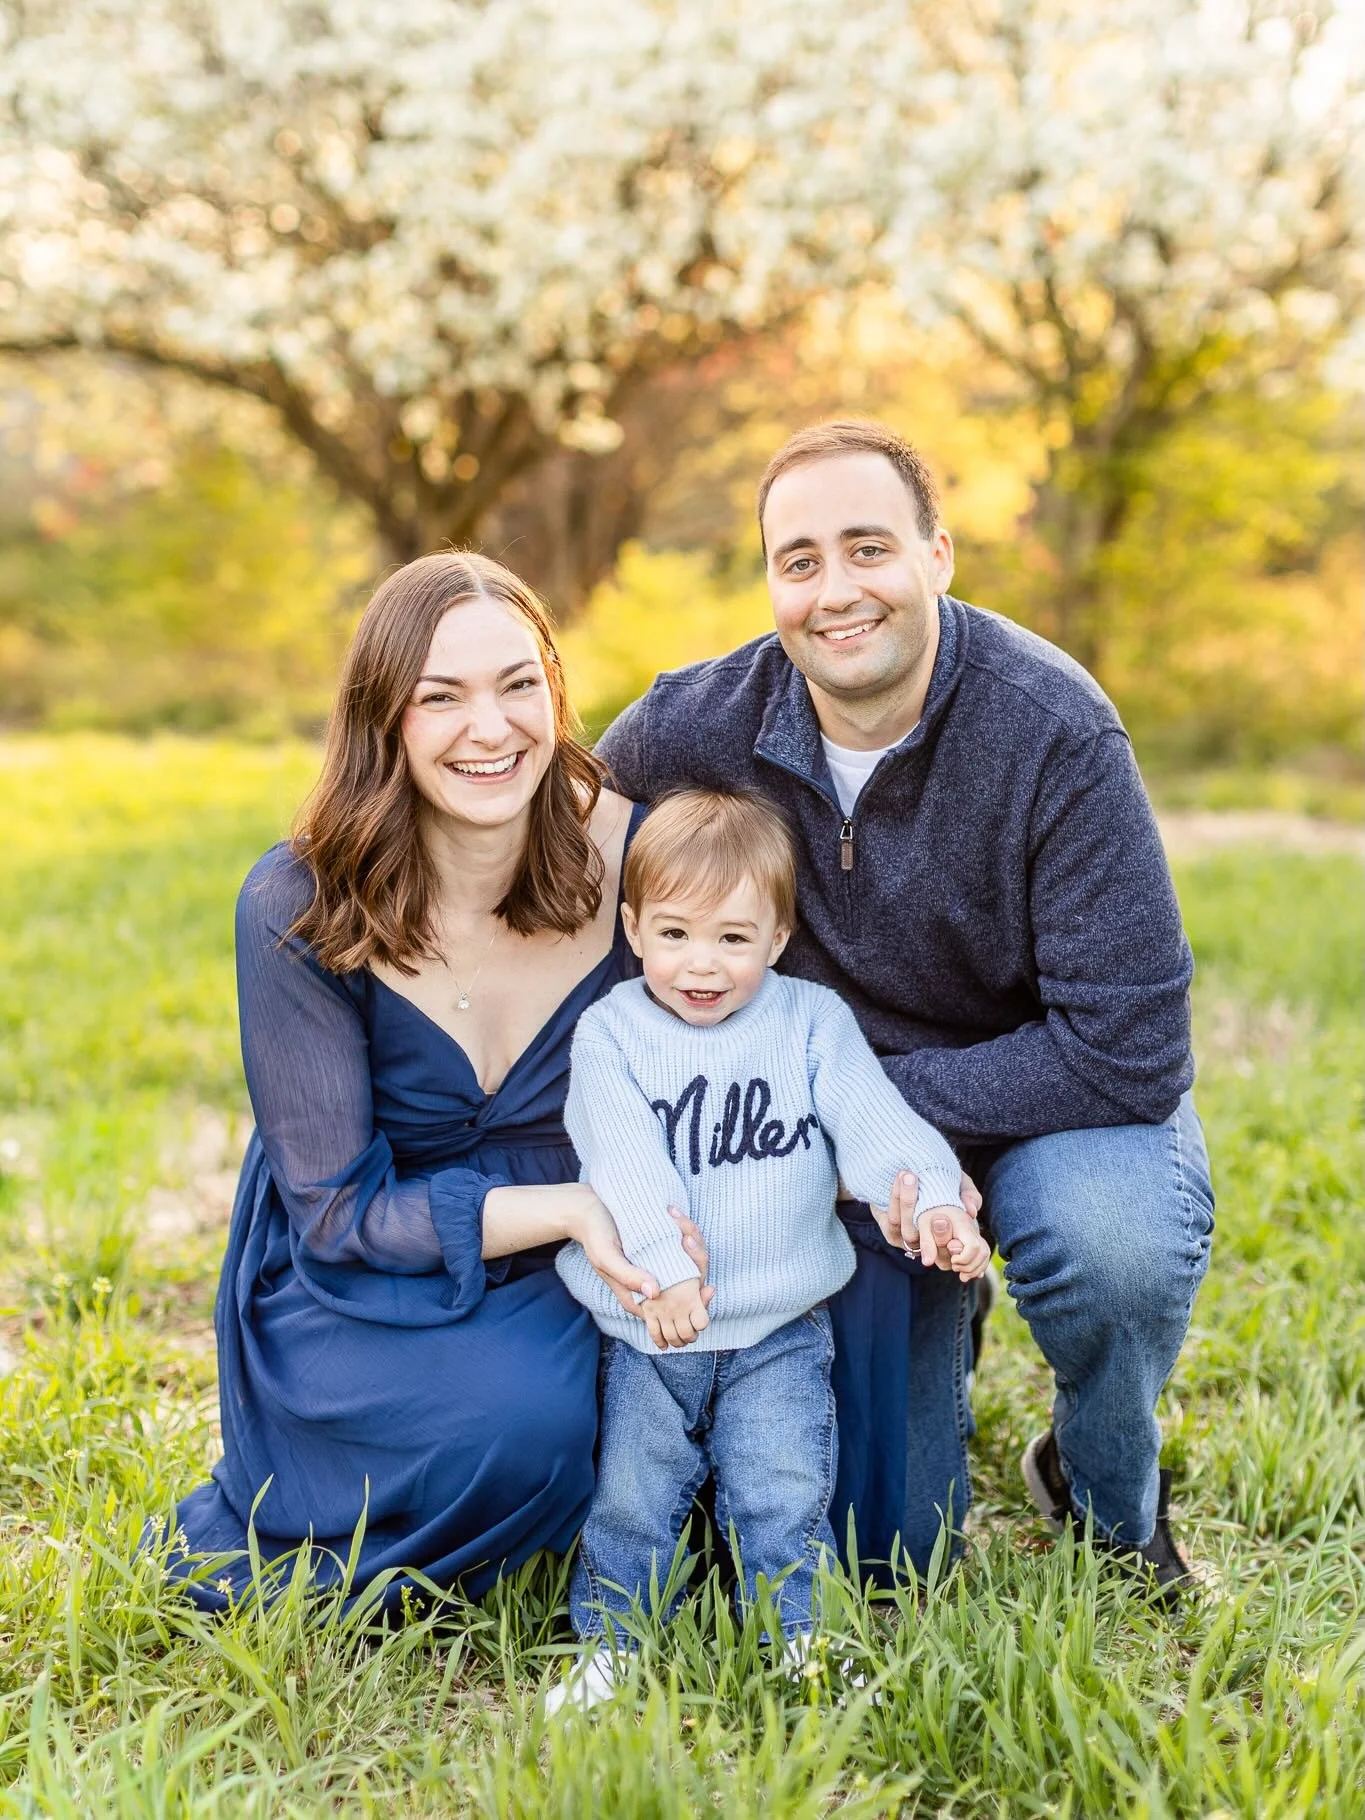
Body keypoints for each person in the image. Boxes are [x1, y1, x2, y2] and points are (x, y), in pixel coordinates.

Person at [596, 420, 1216, 1602]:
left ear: (938, 553)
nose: (837, 592)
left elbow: (1131, 1050)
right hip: (840, 1139)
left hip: (1045, 1100)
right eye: (801, 560)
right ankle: (941, 1315)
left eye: (869, 547)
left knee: (1116, 1244)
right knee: (895, 1554)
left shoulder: (1055, 729)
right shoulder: (696, 722)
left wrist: (862, 1111)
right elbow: (547, 854)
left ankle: (1102, 1491)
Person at [160, 551, 706, 1613]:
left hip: (591, 1253)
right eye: (440, 696)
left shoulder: (638, 855)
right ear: (384, 722)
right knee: (519, 1427)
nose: (490, 727)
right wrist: (568, 1205)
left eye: (516, 684)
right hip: (376, 1265)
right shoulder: (295, 901)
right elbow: (336, 1211)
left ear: (554, 688)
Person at [548, 789, 987, 1702]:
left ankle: (805, 1643)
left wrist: (936, 1200)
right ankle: (612, 1647)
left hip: (779, 1328)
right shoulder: (612, 1034)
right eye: (674, 935)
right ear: (632, 929)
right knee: (632, 1499)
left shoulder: (810, 1024)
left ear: (778, 939)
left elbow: (876, 1125)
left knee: (784, 1490)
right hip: (647, 1330)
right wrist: (663, 1274)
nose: (699, 965)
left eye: (732, 940)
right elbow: (623, 1162)